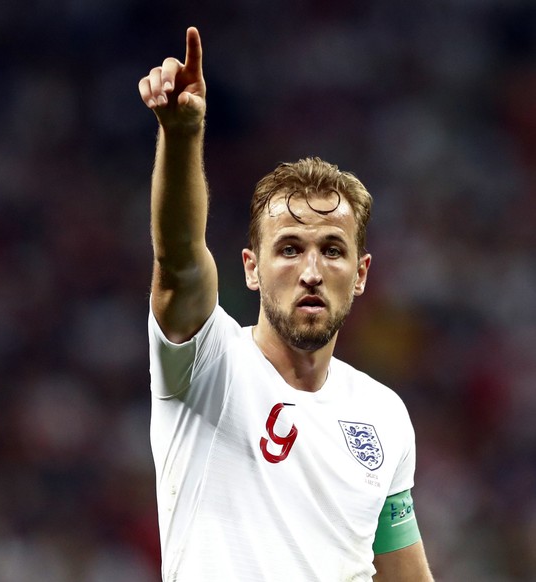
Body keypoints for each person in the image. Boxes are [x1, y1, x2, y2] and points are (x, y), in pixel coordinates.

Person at [139, 26, 434, 582]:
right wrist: (182, 138)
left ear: (362, 274)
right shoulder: (205, 365)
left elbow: (404, 574)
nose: (312, 272)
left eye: (333, 250)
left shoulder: (384, 415)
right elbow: (178, 261)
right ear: (250, 267)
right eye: (290, 249)